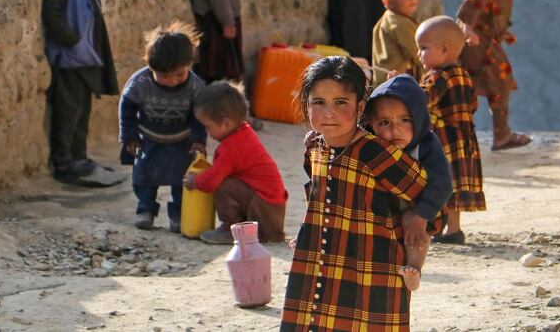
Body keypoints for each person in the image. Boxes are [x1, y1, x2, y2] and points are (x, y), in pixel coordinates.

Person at [281, 56, 428, 330]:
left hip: (373, 268)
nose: (329, 113)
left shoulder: (375, 152)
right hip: (320, 259)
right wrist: (311, 230)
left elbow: (427, 199)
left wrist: (414, 254)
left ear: (360, 106)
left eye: (341, 102)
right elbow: (317, 194)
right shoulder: (314, 147)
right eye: (318, 102)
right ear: (305, 104)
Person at [42, 0, 120, 185]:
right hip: (70, 61)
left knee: (81, 112)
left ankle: (80, 159)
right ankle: (65, 165)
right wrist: (74, 41)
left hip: (84, 58)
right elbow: (53, 18)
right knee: (68, 113)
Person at [366, 74, 452, 291]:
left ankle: (414, 269)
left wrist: (421, 216)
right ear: (371, 124)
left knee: (413, 228)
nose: (395, 130)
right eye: (384, 122)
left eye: (405, 120)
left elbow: (442, 183)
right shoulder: (370, 144)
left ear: (420, 118)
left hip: (419, 207)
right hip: (383, 208)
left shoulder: (427, 144)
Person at [118, 21, 207, 232]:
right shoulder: (140, 82)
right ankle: (146, 210)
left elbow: (199, 116)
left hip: (182, 141)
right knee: (144, 177)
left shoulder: (195, 86)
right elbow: (127, 107)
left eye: (179, 75)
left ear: (189, 66)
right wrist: (129, 135)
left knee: (182, 180)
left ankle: (178, 215)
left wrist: (198, 139)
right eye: (164, 76)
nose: (172, 81)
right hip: (148, 139)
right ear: (151, 66)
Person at [456, 0, 531, 151]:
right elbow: (474, 0)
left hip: (484, 37)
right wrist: (466, 27)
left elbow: (489, 6)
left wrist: (502, 31)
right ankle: (501, 135)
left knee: (475, 86)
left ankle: (470, 135)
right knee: (496, 84)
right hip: (479, 41)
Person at [183, 81, 287, 244]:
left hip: (266, 213)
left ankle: (231, 229)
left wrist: (195, 181)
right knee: (228, 182)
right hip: (271, 208)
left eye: (208, 127)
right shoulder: (244, 132)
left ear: (226, 123)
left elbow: (211, 181)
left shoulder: (231, 148)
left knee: (223, 185)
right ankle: (242, 228)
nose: (206, 132)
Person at [416, 16, 486, 244]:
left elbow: (422, 100)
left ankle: (438, 227)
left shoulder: (438, 77)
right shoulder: (463, 75)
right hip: (463, 140)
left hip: (444, 142)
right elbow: (473, 104)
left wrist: (403, 86)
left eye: (423, 48)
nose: (419, 54)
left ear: (444, 49)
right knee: (454, 185)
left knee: (440, 183)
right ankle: (453, 229)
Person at [371, 0, 424, 87]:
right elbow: (418, 54)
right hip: (396, 84)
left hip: (383, 83)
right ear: (387, 1)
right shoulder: (399, 23)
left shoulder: (389, 18)